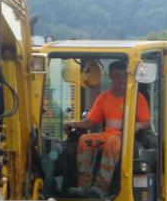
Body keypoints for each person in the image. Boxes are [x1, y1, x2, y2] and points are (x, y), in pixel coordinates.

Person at [64, 60, 150, 192]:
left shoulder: (136, 98)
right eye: (116, 75)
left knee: (113, 141)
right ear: (110, 76)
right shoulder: (103, 98)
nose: (120, 80)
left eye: (123, 76)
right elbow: (89, 122)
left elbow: (147, 122)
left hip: (127, 140)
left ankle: (100, 187)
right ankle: (83, 184)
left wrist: (137, 125)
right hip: (107, 137)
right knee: (84, 139)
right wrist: (72, 123)